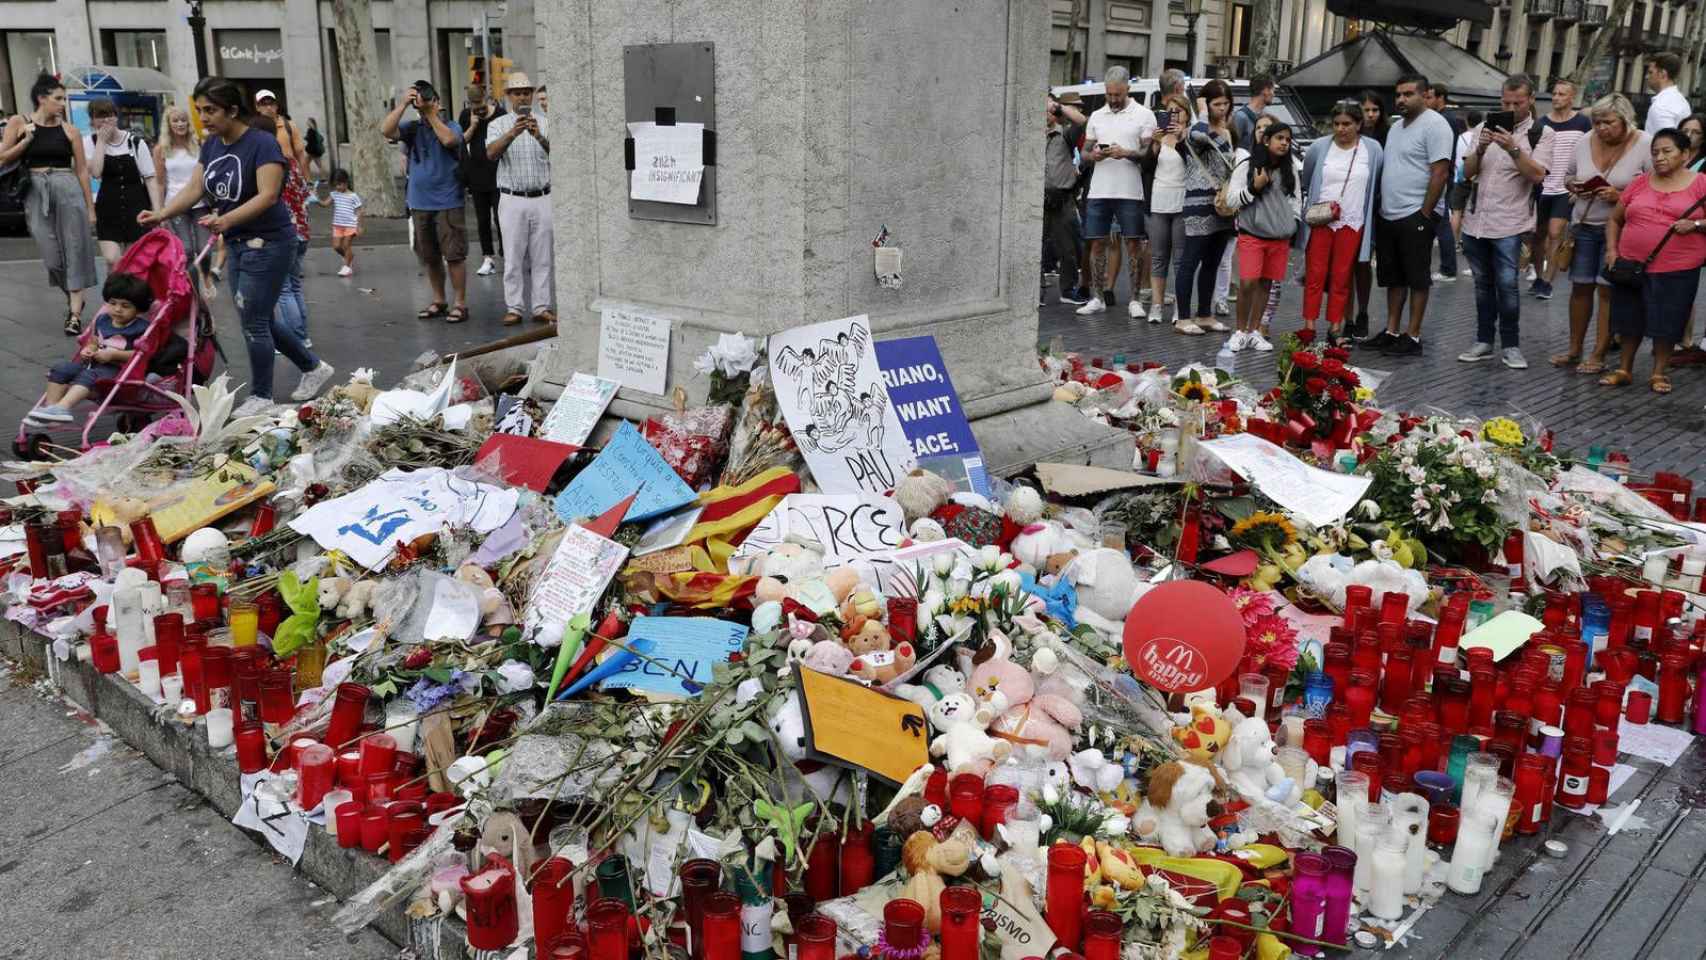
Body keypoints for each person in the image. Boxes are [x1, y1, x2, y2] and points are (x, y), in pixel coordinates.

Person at [139, 76, 334, 413]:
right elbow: (195, 187)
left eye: (210, 110)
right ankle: (313, 367)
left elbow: (268, 195)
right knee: (257, 316)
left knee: (254, 321)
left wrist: (227, 220)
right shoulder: (213, 145)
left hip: (269, 242)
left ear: (232, 109)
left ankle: (261, 396)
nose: (204, 118)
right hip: (238, 242)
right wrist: (162, 214)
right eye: (199, 110)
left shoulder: (262, 144)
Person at [1598, 128, 1706, 393]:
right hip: (1631, 265)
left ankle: (1659, 373)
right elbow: (1615, 218)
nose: (1659, 157)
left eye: (1667, 151)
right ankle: (1624, 369)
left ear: (1685, 154)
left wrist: (1695, 223)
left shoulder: (1701, 183)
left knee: (1667, 321)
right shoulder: (1640, 182)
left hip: (1678, 266)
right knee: (1628, 318)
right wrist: (1612, 250)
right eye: (1655, 152)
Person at [1457, 74, 1552, 369]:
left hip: (1510, 223)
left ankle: (1511, 345)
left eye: (1518, 102)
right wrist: (1482, 148)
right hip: (1476, 222)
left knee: (1508, 286)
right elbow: (1468, 172)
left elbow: (1538, 175)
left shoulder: (1541, 133)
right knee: (1483, 285)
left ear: (1531, 101)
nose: (1511, 107)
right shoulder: (1483, 128)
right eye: (1505, 102)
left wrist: (1513, 147)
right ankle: (1484, 340)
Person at [1552, 95, 1650, 374]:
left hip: (1620, 230)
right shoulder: (1585, 140)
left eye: (1609, 122)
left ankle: (1598, 353)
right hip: (1584, 224)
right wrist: (1576, 186)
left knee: (1607, 291)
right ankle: (1574, 349)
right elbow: (1568, 176)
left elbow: (1655, 188)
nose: (1602, 128)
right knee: (1580, 287)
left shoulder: (1644, 143)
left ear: (1625, 120)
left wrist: (1618, 195)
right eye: (1597, 122)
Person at [0, 73, 99, 334]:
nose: (63, 104)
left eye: (64, 99)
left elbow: (81, 171)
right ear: (41, 99)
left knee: (75, 247)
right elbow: (2, 158)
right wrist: (26, 141)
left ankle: (75, 314)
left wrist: (90, 208)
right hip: (35, 188)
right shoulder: (19, 122)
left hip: (67, 187)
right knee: (52, 256)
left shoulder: (70, 130)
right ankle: (73, 293)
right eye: (58, 99)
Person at [24, 272, 185, 425]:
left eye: (125, 306)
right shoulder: (102, 320)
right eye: (112, 303)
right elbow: (94, 341)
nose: (117, 309)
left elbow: (143, 355)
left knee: (90, 375)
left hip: (120, 372)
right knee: (61, 368)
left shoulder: (141, 328)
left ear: (138, 309)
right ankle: (50, 409)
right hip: (94, 364)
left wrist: (114, 354)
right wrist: (89, 349)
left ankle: (63, 407)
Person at [1365, 74, 1452, 357]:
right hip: (1390, 213)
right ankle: (1392, 331)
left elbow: (1440, 172)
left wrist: (1425, 214)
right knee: (1394, 278)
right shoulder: (1396, 127)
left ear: (1425, 94)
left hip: (1416, 213)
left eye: (1408, 94)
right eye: (1398, 94)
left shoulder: (1436, 125)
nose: (1401, 99)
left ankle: (1412, 336)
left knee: (1417, 278)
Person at [383, 80, 471, 323]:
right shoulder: (412, 128)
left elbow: (449, 141)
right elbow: (386, 130)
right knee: (430, 256)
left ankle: (460, 304)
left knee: (454, 255)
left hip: (448, 202)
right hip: (420, 203)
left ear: (438, 102)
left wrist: (431, 114)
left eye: (429, 98)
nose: (424, 102)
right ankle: (439, 300)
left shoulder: (451, 125)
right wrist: (403, 104)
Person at [1074, 66, 1156, 319]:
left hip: (1130, 191)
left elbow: (1148, 154)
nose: (1113, 99)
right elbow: (1085, 154)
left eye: (1118, 95)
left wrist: (1126, 153)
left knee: (1133, 244)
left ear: (1127, 90)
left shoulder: (1144, 115)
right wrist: (1094, 155)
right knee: (1096, 243)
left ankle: (1134, 299)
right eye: (1109, 94)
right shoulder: (1097, 116)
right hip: (1099, 189)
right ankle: (1097, 297)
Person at [1301, 102, 1383, 345]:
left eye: (1347, 124)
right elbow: (1307, 176)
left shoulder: (1373, 149)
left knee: (1342, 276)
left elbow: (1375, 184)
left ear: (1359, 124)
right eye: (1336, 124)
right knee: (1315, 275)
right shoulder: (1319, 146)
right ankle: (1309, 327)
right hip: (1321, 220)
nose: (1341, 129)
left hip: (1352, 222)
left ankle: (1335, 328)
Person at [485, 71, 555, 325]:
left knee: (542, 257)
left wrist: (538, 136)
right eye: (517, 92)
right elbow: (491, 154)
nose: (523, 96)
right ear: (508, 96)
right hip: (512, 198)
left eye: (527, 91)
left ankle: (541, 307)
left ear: (532, 95)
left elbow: (559, 155)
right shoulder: (498, 124)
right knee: (513, 256)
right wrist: (513, 133)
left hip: (543, 196)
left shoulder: (546, 122)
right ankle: (514, 307)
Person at [1174, 80, 1238, 336]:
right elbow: (1205, 138)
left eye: (1226, 103)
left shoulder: (1228, 131)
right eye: (1216, 104)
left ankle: (1205, 314)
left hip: (1222, 205)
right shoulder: (1195, 130)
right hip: (1198, 203)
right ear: (1206, 104)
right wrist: (1200, 112)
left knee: (1212, 261)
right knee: (1190, 261)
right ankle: (1183, 318)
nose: (1222, 109)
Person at [1229, 121, 1299, 352]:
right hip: (1252, 234)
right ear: (1267, 140)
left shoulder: (1290, 169)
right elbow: (1231, 200)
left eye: (1288, 140)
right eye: (1280, 138)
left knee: (1266, 284)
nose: (1284, 143)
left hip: (1279, 237)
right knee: (1248, 282)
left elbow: (1296, 200)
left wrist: (1293, 221)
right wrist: (1254, 188)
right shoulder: (1248, 166)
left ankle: (1255, 331)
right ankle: (1240, 331)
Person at [1531, 80, 1592, 300]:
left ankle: (1548, 281)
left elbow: (1589, 153)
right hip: (1540, 187)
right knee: (1538, 235)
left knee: (1555, 233)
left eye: (1562, 94)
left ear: (1572, 98)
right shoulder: (1541, 123)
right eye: (1554, 93)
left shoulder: (1583, 122)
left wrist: (1579, 184)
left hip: (1563, 189)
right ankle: (1538, 276)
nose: (1556, 97)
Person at [83, 98, 155, 268]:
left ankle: (126, 294)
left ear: (117, 117)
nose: (106, 120)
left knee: (133, 261)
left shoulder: (135, 142)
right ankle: (114, 293)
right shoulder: (89, 142)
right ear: (92, 121)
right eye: (100, 117)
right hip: (108, 206)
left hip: (136, 205)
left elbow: (151, 178)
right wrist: (101, 142)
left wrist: (158, 211)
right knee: (112, 259)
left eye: (110, 115)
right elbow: (96, 172)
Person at [1144, 93, 1192, 325]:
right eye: (1169, 111)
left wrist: (1180, 139)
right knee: (1158, 256)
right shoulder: (1160, 137)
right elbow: (1146, 167)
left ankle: (1180, 308)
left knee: (1180, 260)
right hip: (1159, 201)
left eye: (1178, 111)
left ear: (1186, 114)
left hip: (1182, 202)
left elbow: (1192, 163)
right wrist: (1154, 143)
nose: (1173, 115)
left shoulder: (1191, 136)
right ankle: (1156, 305)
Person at [152, 106, 213, 286]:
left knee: (205, 249)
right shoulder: (161, 149)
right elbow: (160, 182)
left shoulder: (198, 144)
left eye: (183, 120)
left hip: (200, 203)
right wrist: (160, 211)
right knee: (185, 250)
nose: (180, 124)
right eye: (175, 120)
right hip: (175, 205)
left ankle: (206, 275)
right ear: (168, 125)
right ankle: (192, 288)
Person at [1043, 94, 1088, 306]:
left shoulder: (1065, 135)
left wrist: (1057, 106)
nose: (1045, 113)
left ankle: (1068, 290)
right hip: (1037, 201)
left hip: (1062, 199)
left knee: (1068, 249)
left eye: (1047, 109)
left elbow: (1082, 121)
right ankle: (1034, 293)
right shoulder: (1028, 136)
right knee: (1031, 249)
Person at [459, 83, 505, 278]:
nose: (477, 107)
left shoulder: (500, 114)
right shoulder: (465, 116)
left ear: (486, 98)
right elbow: (461, 141)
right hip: (476, 176)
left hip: (499, 174)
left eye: (479, 102)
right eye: (473, 104)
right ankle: (488, 257)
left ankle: (507, 254)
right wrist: (473, 124)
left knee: (501, 218)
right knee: (483, 220)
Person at [1423, 82, 1462, 282]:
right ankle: (1447, 267)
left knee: (1441, 221)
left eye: (1429, 97)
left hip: (1442, 175)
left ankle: (1448, 268)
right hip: (1444, 174)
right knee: (1440, 220)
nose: (1426, 101)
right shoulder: (1445, 118)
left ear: (1440, 98)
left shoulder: (1444, 119)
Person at [316, 168, 364, 276]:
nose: (338, 187)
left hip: (350, 225)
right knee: (336, 246)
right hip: (338, 225)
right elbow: (324, 204)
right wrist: (316, 198)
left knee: (346, 245)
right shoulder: (334, 194)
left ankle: (347, 267)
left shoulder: (353, 196)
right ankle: (349, 257)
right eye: (335, 185)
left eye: (340, 184)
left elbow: (359, 211)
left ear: (346, 182)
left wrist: (359, 226)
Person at [254, 91, 309, 173]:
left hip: (289, 177)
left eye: (271, 103)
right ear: (257, 107)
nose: (269, 107)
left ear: (276, 106)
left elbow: (300, 155)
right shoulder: (253, 129)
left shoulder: (289, 125)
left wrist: (307, 182)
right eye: (264, 104)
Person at [1645, 54, 1690, 133]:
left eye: (1650, 72)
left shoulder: (1661, 106)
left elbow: (1666, 142)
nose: (1646, 76)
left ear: (1663, 74)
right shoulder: (1682, 101)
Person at [1233, 73, 1275, 150]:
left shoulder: (1266, 116)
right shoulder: (1241, 117)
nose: (1273, 94)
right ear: (1265, 91)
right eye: (1272, 90)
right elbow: (1232, 147)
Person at [303, 117, 327, 183]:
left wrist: (305, 138)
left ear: (311, 122)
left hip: (311, 152)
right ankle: (323, 178)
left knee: (305, 164)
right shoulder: (316, 130)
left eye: (308, 121)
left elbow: (310, 139)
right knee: (319, 165)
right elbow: (321, 138)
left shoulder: (310, 130)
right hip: (316, 151)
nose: (307, 123)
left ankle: (309, 179)